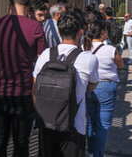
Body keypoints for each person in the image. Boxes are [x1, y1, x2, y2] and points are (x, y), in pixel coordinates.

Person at [0, 0, 47, 157]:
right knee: (21, 141)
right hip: (23, 91)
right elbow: (42, 60)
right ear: (28, 9)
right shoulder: (34, 27)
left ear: (9, 6)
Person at [33, 12, 99, 157]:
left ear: (59, 31)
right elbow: (94, 84)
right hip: (74, 126)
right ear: (80, 33)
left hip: (46, 123)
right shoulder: (88, 59)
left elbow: (35, 87)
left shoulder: (45, 55)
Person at [84, 20, 124, 157]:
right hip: (106, 87)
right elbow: (120, 65)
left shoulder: (85, 48)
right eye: (106, 30)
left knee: (91, 122)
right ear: (102, 33)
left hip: (89, 87)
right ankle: (98, 154)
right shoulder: (111, 50)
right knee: (103, 125)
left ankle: (90, 152)